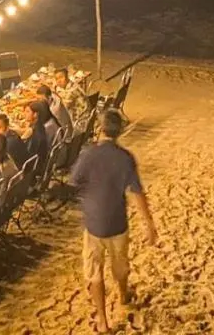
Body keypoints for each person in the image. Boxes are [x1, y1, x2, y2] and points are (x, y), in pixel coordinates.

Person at [70, 109, 157, 335]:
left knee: (94, 274)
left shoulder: (88, 154)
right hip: (118, 222)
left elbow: (74, 181)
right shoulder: (126, 158)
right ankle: (123, 293)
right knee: (120, 267)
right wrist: (149, 224)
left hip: (94, 223)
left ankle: (102, 321)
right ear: (120, 132)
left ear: (100, 129)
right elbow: (137, 193)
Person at [21, 99, 51, 175]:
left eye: (27, 112)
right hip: (39, 163)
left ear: (35, 114)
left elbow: (27, 155)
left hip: (33, 169)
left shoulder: (36, 134)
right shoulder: (40, 126)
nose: (24, 114)